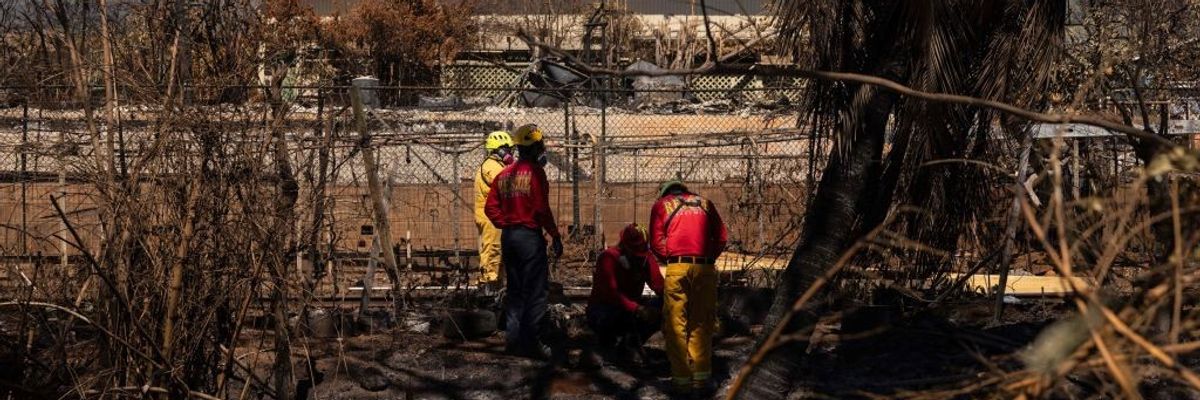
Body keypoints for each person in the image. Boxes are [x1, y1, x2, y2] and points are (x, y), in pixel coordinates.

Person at [484, 124, 563, 359]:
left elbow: (490, 208)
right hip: (529, 237)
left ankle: (514, 341)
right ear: (535, 147)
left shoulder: (504, 174)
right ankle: (533, 343)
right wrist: (555, 235)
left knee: (516, 291)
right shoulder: (536, 173)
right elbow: (541, 208)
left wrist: (505, 223)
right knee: (536, 292)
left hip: (509, 237)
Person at [649, 179, 727, 395]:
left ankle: (681, 380)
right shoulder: (706, 204)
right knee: (702, 322)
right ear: (685, 191)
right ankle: (701, 379)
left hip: (677, 268)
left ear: (667, 194)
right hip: (705, 269)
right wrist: (706, 256)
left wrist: (674, 256)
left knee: (676, 323)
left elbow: (656, 242)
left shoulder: (661, 205)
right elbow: (721, 238)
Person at [586, 223, 664, 366]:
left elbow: (659, 285)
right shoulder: (608, 258)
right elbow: (612, 294)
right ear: (625, 246)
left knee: (665, 306)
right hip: (605, 308)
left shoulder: (646, 259)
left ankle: (629, 346)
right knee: (611, 316)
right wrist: (638, 309)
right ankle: (606, 345)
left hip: (631, 309)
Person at [474, 130, 514, 289]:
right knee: (492, 250)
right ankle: (487, 285)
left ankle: (495, 284)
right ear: (500, 149)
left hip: (494, 216)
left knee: (496, 250)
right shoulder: (492, 166)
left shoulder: (496, 164)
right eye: (508, 149)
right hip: (490, 217)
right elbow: (508, 184)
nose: (510, 152)